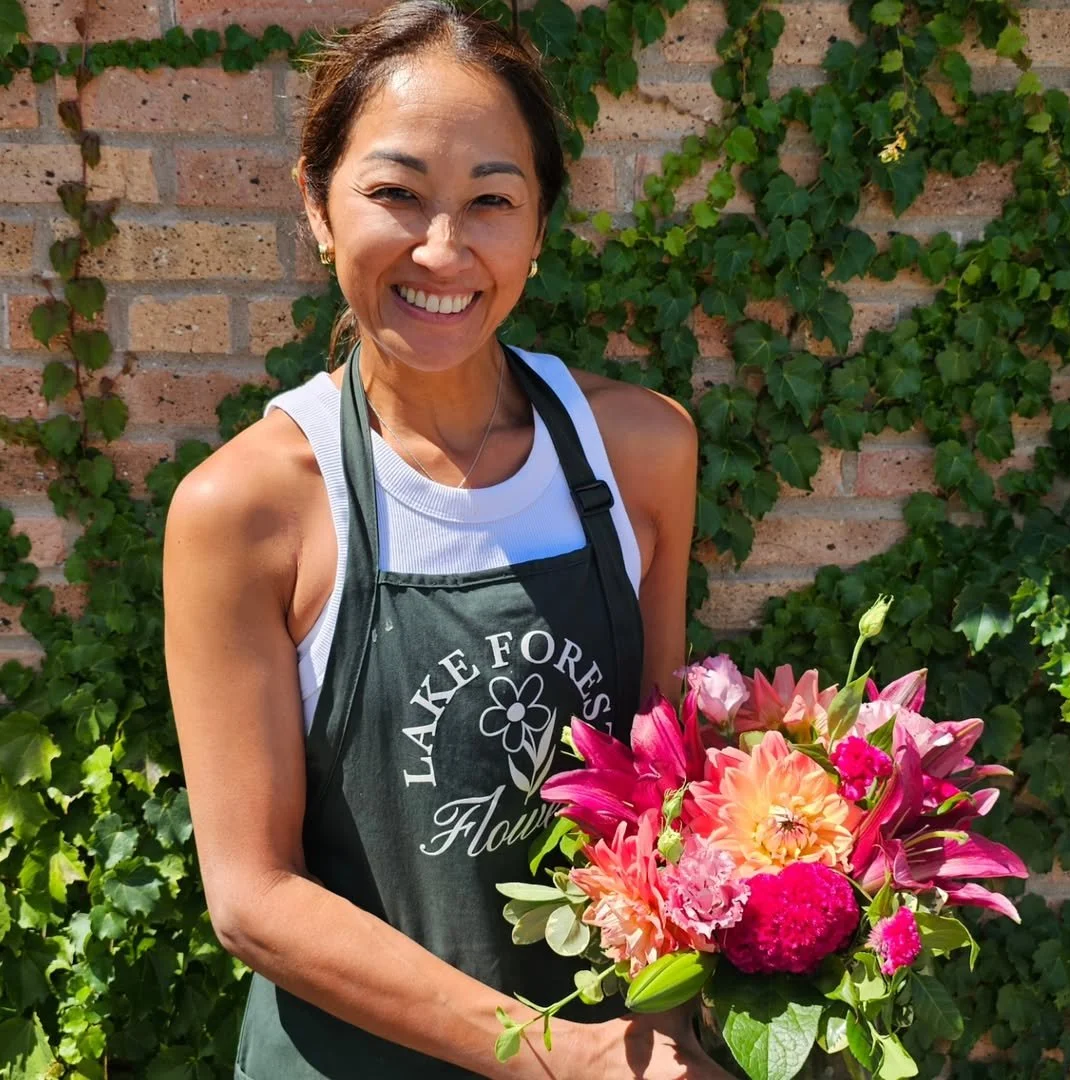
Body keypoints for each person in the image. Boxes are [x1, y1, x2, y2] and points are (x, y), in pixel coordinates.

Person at [164, 3, 727, 1076]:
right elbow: (252, 899)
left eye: (491, 202)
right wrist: (551, 1057)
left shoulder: (640, 452)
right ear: (317, 206)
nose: (442, 248)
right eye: (395, 193)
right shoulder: (246, 510)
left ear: (540, 223)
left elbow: (663, 783)